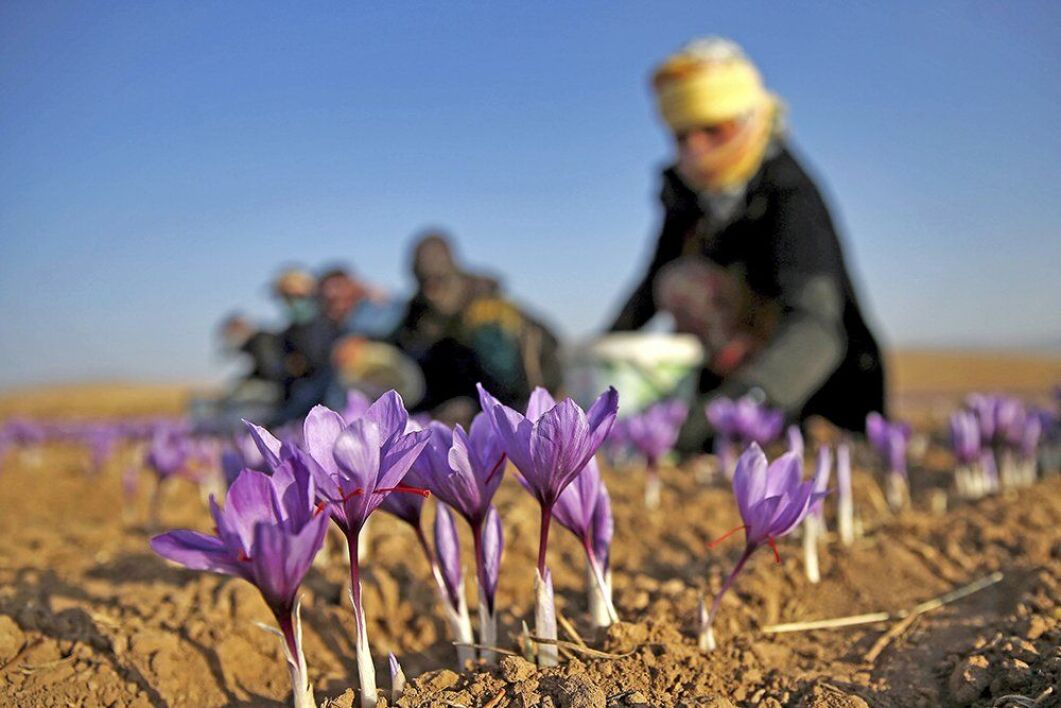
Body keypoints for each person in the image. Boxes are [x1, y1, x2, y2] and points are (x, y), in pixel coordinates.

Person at [608, 37, 885, 450]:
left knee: (690, 285)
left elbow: (817, 328)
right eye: (682, 136)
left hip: (807, 388)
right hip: (724, 380)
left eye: (712, 129)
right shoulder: (687, 196)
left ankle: (756, 425)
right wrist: (598, 363)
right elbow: (648, 287)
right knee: (676, 280)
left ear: (750, 120)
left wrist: (732, 408)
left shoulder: (789, 193)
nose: (694, 148)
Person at [391, 231, 563, 423]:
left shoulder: (489, 303)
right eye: (424, 282)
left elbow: (547, 348)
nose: (431, 291)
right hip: (441, 412)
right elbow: (397, 348)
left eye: (438, 280)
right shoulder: (417, 312)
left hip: (509, 413)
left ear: (452, 270)